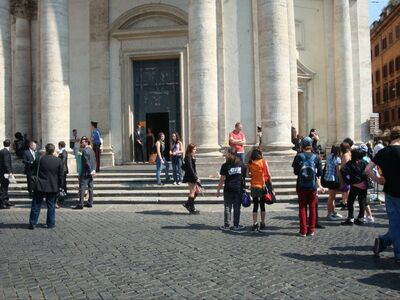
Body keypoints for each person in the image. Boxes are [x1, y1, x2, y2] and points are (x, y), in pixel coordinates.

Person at [366, 127, 400, 264]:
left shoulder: (382, 152)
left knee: (395, 223)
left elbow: (367, 169)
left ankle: (389, 246)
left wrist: (377, 179)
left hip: (390, 192)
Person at [292, 137, 324, 237]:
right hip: (312, 185)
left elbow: (296, 172)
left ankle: (303, 230)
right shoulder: (316, 157)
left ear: (302, 145)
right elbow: (320, 173)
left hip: (301, 185)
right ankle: (311, 230)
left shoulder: (298, 156)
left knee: (302, 207)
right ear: (311, 145)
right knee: (312, 207)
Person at [28, 143, 63, 229]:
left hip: (40, 184)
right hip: (53, 185)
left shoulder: (39, 159)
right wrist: (61, 185)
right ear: (53, 150)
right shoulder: (58, 160)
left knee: (36, 204)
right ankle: (50, 223)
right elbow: (61, 175)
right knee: (51, 205)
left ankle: (33, 222)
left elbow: (31, 168)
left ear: (46, 150)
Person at [217, 148, 246, 231]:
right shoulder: (241, 164)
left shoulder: (225, 165)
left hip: (228, 188)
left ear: (229, 154)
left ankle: (227, 225)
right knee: (237, 207)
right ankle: (236, 225)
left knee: (227, 207)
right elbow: (245, 175)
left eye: (226, 154)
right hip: (238, 188)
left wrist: (218, 190)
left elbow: (222, 179)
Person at [340, 148, 368, 226]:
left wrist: (347, 181)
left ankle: (351, 218)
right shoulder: (364, 162)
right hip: (363, 184)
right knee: (362, 201)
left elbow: (342, 170)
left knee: (350, 201)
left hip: (354, 185)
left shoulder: (350, 163)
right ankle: (361, 218)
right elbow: (368, 170)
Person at [248, 147, 272, 232]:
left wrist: (253, 174)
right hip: (262, 186)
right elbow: (268, 174)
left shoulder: (250, 163)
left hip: (254, 185)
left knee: (255, 205)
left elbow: (248, 174)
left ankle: (254, 224)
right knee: (262, 205)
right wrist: (271, 185)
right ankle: (263, 222)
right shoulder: (263, 162)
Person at [73, 136, 96, 209]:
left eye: (83, 142)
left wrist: (91, 170)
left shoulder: (85, 151)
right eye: (81, 142)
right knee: (90, 188)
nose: (81, 144)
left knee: (82, 188)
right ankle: (90, 202)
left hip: (85, 172)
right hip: (90, 172)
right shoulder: (92, 150)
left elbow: (87, 162)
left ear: (86, 142)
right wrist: (93, 170)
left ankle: (81, 204)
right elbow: (94, 161)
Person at [323, 144, 343, 221]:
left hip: (327, 177)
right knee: (331, 197)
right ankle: (329, 213)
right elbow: (338, 172)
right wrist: (341, 181)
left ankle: (333, 211)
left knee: (332, 196)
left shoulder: (328, 156)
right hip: (333, 179)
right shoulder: (337, 159)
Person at [182, 143, 200, 214]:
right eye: (194, 149)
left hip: (193, 175)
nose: (195, 150)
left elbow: (193, 168)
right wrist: (195, 178)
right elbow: (190, 168)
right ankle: (192, 208)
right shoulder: (187, 157)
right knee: (192, 192)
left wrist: (197, 176)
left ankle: (187, 204)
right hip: (190, 176)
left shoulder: (191, 156)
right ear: (191, 149)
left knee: (197, 191)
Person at [359, 144, 374, 224]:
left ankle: (369, 216)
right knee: (363, 199)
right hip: (366, 181)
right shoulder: (368, 159)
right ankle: (365, 215)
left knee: (364, 199)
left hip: (363, 181)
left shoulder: (362, 160)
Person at [338, 142, 352, 210]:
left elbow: (345, 166)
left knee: (345, 189)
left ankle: (345, 203)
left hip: (345, 174)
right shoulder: (348, 154)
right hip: (347, 174)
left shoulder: (345, 155)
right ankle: (345, 202)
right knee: (346, 189)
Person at [0, 140, 13, 209]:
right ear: (9, 144)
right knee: (4, 187)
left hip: (2, 173)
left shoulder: (1, 151)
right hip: (5, 173)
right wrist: (9, 172)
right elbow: (6, 163)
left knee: (4, 187)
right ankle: (2, 203)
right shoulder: (6, 152)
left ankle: (5, 201)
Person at [58, 141, 69, 206]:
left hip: (63, 169)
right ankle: (63, 194)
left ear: (60, 145)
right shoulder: (61, 152)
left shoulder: (63, 152)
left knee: (63, 182)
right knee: (62, 182)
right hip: (62, 169)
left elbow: (63, 160)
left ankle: (64, 194)